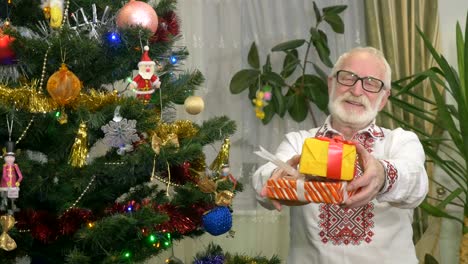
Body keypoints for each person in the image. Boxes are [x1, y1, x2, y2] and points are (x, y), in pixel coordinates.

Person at [252, 47, 428, 264]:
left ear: (383, 99)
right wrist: (283, 183)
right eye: (348, 78)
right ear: (331, 84)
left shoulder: (400, 141)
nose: (356, 90)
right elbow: (261, 182)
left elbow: (417, 183)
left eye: (371, 83)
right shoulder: (299, 142)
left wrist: (382, 176)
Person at [1, 141, 23, 214]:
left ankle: (13, 207)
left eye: (11, 157)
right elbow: (4, 175)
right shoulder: (4, 166)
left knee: (13, 196)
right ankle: (3, 205)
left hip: (13, 184)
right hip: (4, 184)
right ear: (5, 158)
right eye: (8, 157)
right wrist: (7, 181)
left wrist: (18, 182)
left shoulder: (15, 166)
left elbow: (20, 175)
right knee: (4, 195)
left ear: (14, 158)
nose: (9, 159)